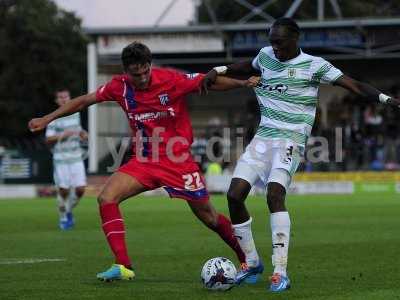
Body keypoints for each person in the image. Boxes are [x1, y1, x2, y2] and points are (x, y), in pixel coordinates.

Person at [29, 42, 259, 282]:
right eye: (135, 74)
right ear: (126, 71)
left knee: (210, 217)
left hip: (177, 161)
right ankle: (123, 266)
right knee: (106, 198)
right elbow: (84, 101)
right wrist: (47, 118)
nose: (141, 78)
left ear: (150, 66)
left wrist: (242, 83)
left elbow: (209, 82)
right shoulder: (119, 86)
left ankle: (249, 261)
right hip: (145, 161)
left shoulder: (171, 79)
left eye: (145, 71)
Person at [201, 17, 400, 292]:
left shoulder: (315, 65)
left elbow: (353, 84)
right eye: (272, 42)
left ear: (295, 39)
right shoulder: (266, 56)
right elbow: (245, 66)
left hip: (290, 140)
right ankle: (252, 262)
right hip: (263, 139)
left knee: (274, 194)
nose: (275, 48)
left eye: (280, 43)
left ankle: (280, 271)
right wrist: (219, 68)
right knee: (234, 195)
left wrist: (386, 99)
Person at [45, 88, 87, 230]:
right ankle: (63, 217)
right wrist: (64, 134)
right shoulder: (53, 117)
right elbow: (48, 139)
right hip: (61, 159)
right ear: (57, 101)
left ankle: (67, 211)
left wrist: (82, 134)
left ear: (69, 98)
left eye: (66, 97)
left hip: (76, 157)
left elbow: (78, 130)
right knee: (63, 190)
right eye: (60, 97)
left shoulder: (75, 114)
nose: (64, 99)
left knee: (80, 189)